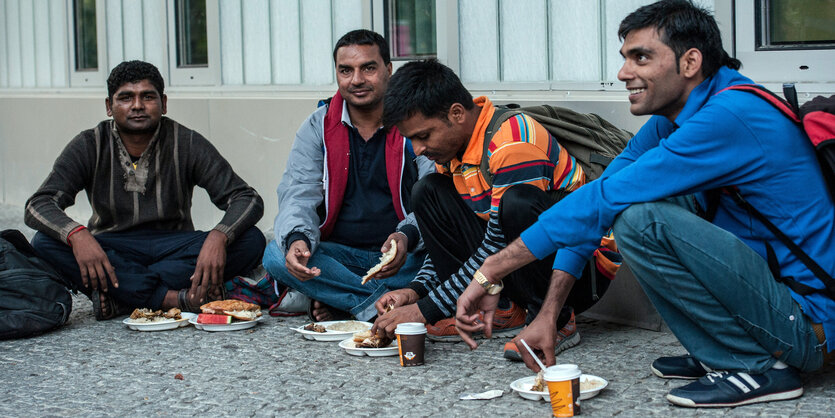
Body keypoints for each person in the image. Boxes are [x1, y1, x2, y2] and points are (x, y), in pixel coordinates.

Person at [456, 0, 835, 407]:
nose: (623, 73)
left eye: (641, 58)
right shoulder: (674, 118)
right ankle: (722, 351)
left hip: (809, 324)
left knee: (641, 220)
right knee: (631, 202)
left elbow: (606, 200)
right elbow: (598, 197)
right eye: (624, 58)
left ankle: (755, 366)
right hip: (774, 297)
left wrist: (493, 267)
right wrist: (550, 312)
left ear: (690, 62)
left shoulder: (730, 115)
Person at [373, 59, 620, 353]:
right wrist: (416, 291)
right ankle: (505, 309)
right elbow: (449, 241)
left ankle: (555, 319)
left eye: (423, 136)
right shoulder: (453, 152)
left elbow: (499, 247)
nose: (418, 149)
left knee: (517, 202)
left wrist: (426, 310)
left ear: (456, 113)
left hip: (579, 273)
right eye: (411, 139)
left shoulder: (512, 142)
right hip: (511, 265)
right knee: (427, 191)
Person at [26, 60, 266, 320]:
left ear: (163, 104)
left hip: (174, 245)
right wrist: (77, 234)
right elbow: (38, 204)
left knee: (251, 240)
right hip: (112, 246)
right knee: (44, 243)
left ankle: (123, 298)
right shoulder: (89, 144)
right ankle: (170, 298)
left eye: (147, 97)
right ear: (109, 106)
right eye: (126, 98)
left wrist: (219, 236)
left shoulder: (186, 142)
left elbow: (246, 197)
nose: (137, 106)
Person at [261, 30, 434, 322]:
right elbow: (298, 193)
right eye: (346, 70)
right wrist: (298, 240)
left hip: (404, 257)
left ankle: (342, 300)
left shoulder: (413, 121)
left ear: (388, 70)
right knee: (276, 255)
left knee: (447, 258)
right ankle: (383, 307)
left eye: (368, 68)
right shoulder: (319, 125)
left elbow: (435, 196)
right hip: (339, 258)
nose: (356, 80)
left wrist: (406, 236)